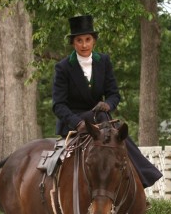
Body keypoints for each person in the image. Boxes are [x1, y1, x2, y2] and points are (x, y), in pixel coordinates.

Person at [52, 14, 162, 188]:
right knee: (106, 120)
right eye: (79, 40)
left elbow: (114, 94)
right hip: (74, 122)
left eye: (88, 39)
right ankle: (145, 176)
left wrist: (108, 104)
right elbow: (58, 105)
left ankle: (135, 182)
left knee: (110, 125)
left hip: (101, 119)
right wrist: (78, 122)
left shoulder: (103, 61)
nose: (84, 44)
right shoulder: (63, 67)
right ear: (73, 43)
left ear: (94, 41)